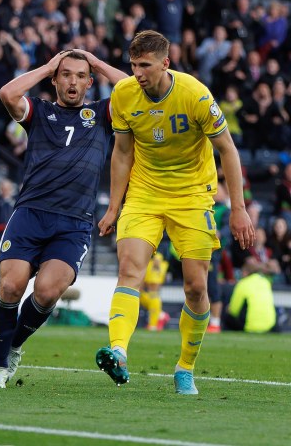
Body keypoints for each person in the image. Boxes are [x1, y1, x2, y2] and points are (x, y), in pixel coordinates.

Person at [96, 30, 254, 395]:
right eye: (133, 65)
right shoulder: (123, 95)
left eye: (145, 65)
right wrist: (114, 207)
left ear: (165, 63)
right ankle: (118, 351)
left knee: (196, 287)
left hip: (192, 197)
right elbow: (121, 153)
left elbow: (228, 150)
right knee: (129, 269)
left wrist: (239, 209)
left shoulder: (195, 94)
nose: (137, 73)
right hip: (145, 194)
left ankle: (185, 367)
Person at [0, 49, 127, 388]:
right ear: (55, 80)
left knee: (47, 292)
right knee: (10, 286)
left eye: (80, 75)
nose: (73, 81)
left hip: (74, 222)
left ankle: (14, 345)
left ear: (90, 82)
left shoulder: (102, 114)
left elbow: (135, 88)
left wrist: (99, 64)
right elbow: (8, 93)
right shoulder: (39, 111)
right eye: (65, 74)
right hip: (31, 214)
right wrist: (48, 65)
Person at [139, 250, 171, 331]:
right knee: (141, 298)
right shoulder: (150, 265)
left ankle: (154, 323)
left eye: (158, 260)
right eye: (155, 260)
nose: (157, 262)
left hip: (154, 293)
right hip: (148, 292)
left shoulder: (163, 266)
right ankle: (162, 315)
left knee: (154, 304)